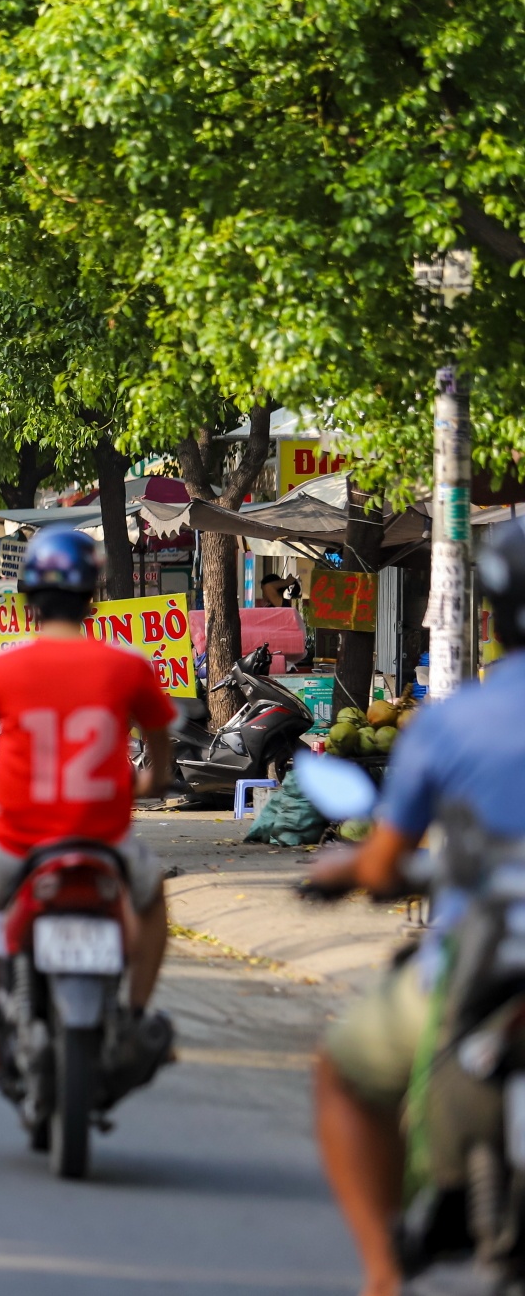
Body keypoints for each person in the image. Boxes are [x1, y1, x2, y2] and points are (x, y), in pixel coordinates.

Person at [306, 518, 525, 1296]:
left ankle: (381, 1272)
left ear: (492, 613)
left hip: (476, 958)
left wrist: (346, 870)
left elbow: (383, 859)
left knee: (342, 1071)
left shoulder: (450, 722)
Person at [0, 529, 177, 1065]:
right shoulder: (130, 666)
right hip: (107, 847)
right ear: (92, 598)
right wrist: (143, 786)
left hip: (20, 846)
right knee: (152, 898)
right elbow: (160, 768)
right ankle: (133, 1017)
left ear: (30, 599)